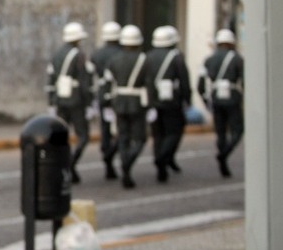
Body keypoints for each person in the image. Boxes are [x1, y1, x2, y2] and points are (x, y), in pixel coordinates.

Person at [46, 21, 95, 183]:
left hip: (60, 100)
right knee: (83, 136)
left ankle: (60, 165)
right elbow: (84, 81)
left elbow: (50, 80)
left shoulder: (57, 54)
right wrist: (90, 103)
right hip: (76, 101)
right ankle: (70, 164)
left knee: (62, 135)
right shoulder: (79, 55)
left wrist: (51, 102)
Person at [145, 25, 192, 182]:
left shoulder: (148, 56)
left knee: (158, 134)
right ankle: (163, 157)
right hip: (171, 101)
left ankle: (161, 163)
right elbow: (184, 81)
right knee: (174, 132)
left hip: (153, 100)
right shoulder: (176, 57)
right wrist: (187, 99)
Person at [104, 25, 148, 189]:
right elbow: (149, 84)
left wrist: (107, 102)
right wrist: (151, 106)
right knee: (139, 138)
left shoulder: (114, 59)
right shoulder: (144, 59)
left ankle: (124, 164)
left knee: (122, 137)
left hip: (119, 101)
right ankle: (128, 163)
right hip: (137, 102)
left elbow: (108, 83)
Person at [198, 28, 244, 177]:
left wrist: (206, 100)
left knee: (220, 132)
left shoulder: (209, 60)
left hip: (216, 98)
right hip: (232, 98)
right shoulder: (237, 59)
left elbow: (200, 84)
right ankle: (224, 154)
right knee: (237, 130)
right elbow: (244, 81)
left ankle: (222, 157)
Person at [90, 21, 122, 180]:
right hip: (119, 94)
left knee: (105, 128)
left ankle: (106, 151)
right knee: (123, 129)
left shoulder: (97, 54)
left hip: (102, 94)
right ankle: (111, 154)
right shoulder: (122, 53)